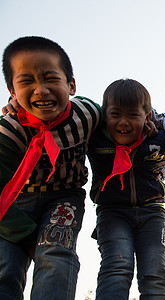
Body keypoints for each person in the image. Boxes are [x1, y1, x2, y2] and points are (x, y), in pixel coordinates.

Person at [0, 36, 101, 299]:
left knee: (56, 254)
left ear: (71, 84)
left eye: (51, 78)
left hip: (64, 196)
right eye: (26, 82)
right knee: (6, 264)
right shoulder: (8, 131)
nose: (41, 90)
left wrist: (148, 121)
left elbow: (124, 121)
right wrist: (25, 236)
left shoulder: (88, 114)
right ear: (12, 91)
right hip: (14, 202)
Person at [87, 78, 165, 299]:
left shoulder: (162, 139)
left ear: (147, 116)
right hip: (112, 213)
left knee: (155, 273)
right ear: (105, 116)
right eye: (115, 115)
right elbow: (68, 119)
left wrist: (164, 122)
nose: (123, 122)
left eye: (133, 115)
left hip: (152, 213)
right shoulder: (95, 138)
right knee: (117, 267)